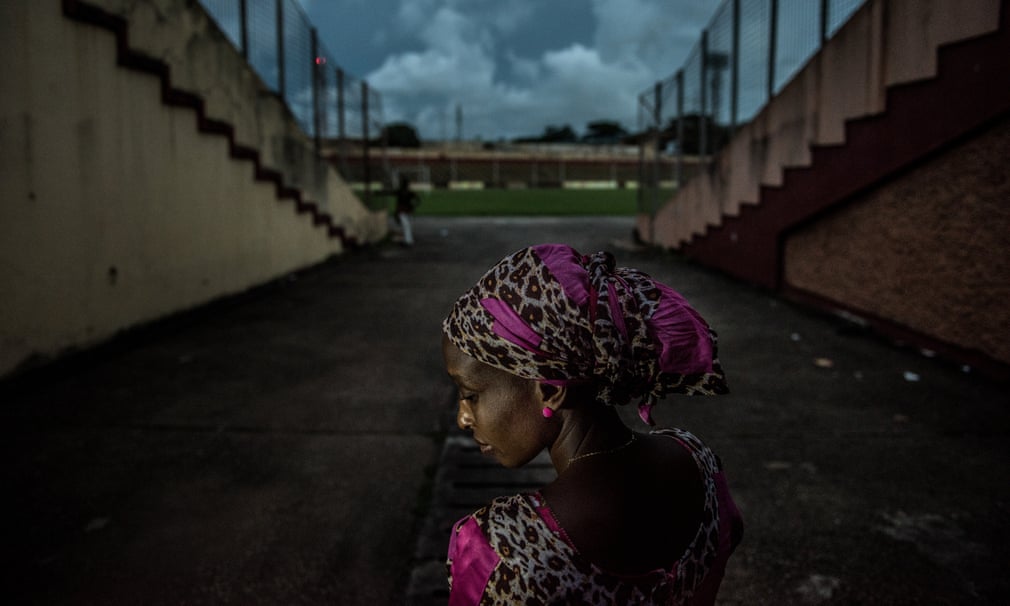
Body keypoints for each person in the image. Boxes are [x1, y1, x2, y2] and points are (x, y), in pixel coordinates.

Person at [441, 243, 743, 605]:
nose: (462, 418)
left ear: (550, 390)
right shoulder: (699, 463)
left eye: (470, 394)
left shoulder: (506, 553)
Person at [394, 175, 420, 246]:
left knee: (407, 226)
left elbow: (417, 199)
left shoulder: (403, 192)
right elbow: (417, 199)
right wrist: (414, 206)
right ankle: (408, 240)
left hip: (404, 210)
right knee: (407, 225)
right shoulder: (407, 192)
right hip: (405, 211)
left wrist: (413, 205)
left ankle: (408, 240)